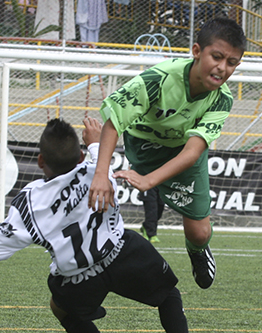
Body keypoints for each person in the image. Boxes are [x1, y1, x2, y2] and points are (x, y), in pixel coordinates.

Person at [0, 117, 222, 333]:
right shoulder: (97, 165)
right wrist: (95, 141)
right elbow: (101, 150)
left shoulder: (28, 203)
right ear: (81, 155)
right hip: (123, 253)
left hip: (78, 277)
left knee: (60, 308)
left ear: (40, 161)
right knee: (168, 292)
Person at [89, 17, 246, 290]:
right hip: (144, 145)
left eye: (231, 63)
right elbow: (114, 122)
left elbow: (194, 151)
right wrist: (100, 174)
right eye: (217, 57)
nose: (222, 68)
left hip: (185, 152)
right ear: (197, 51)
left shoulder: (222, 98)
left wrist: (150, 181)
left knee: (200, 233)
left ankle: (198, 251)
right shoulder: (157, 79)